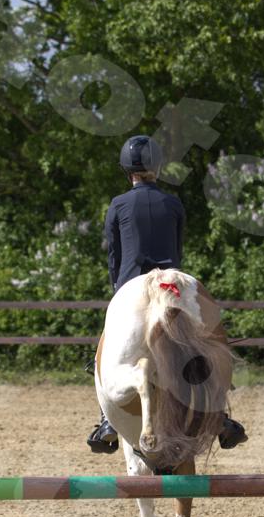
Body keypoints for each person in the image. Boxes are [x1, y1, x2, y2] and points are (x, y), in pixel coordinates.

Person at [88, 135, 247, 454]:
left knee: (106, 353)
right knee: (208, 342)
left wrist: (119, 293)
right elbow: (176, 250)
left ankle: (108, 421)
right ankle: (219, 413)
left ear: (126, 170)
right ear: (158, 167)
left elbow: (114, 257)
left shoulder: (118, 204)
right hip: (172, 285)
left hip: (131, 283)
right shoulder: (173, 204)